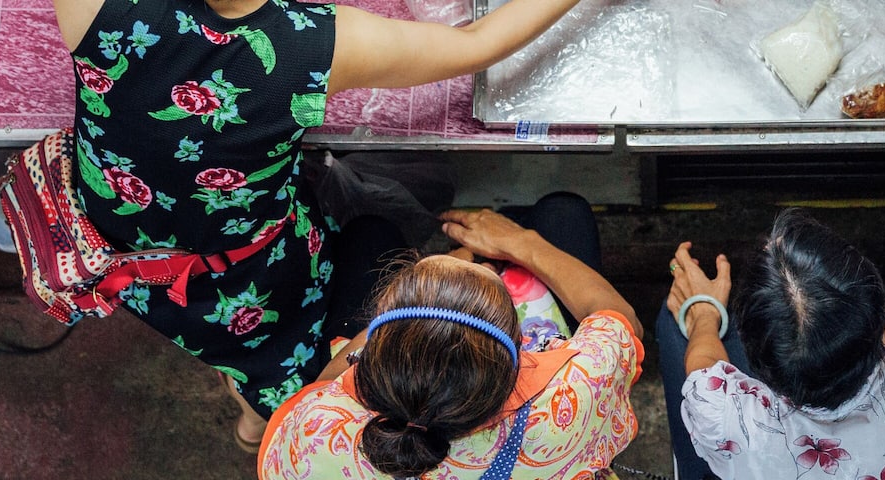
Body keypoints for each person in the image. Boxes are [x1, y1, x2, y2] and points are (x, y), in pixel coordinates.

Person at [51, 0, 589, 451]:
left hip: (124, 256)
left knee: (231, 351)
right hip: (254, 275)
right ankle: (260, 420)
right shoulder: (308, 44)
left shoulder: (99, 9)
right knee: (271, 364)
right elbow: (478, 42)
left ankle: (253, 419)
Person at [258, 199, 644, 479]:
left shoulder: (317, 437)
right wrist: (518, 242)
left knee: (369, 232)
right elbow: (621, 322)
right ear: (521, 348)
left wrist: (424, 299)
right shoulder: (573, 400)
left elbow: (321, 389)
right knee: (563, 211)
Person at [659, 209, 885, 480]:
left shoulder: (736, 426)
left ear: (758, 362)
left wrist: (705, 310)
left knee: (672, 326)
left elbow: (703, 373)